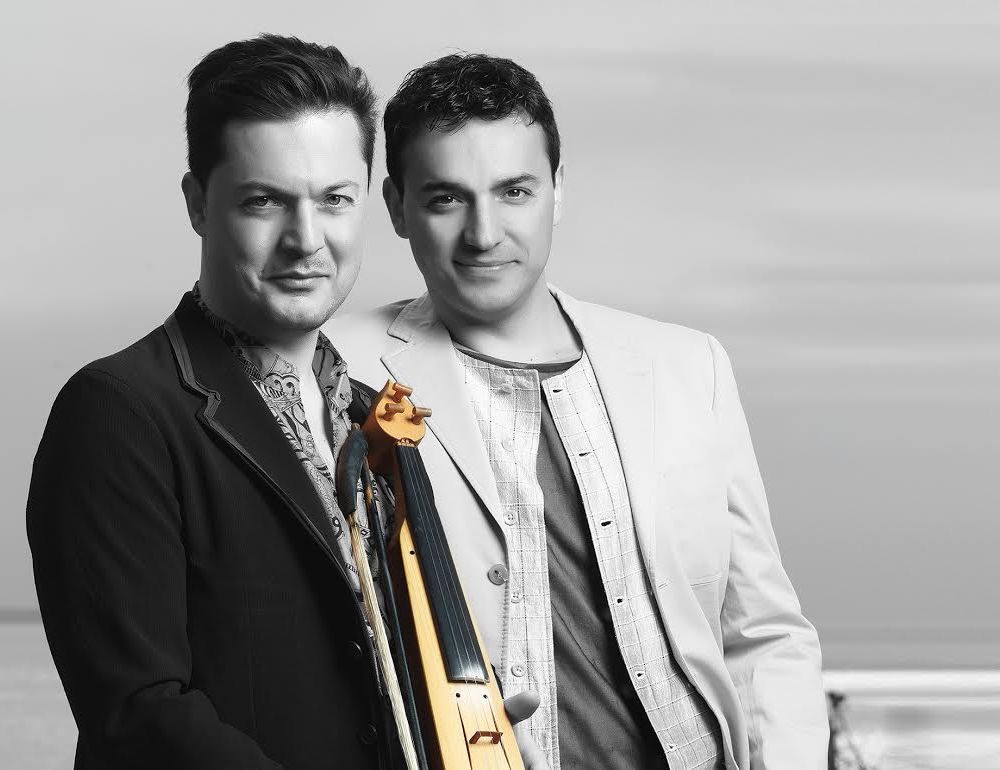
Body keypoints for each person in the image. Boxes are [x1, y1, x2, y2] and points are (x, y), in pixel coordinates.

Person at [326, 53, 830, 769]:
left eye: (515, 192)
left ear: (557, 191)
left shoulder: (686, 367)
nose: (484, 233)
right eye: (446, 199)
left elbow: (763, 631)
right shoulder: (335, 368)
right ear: (398, 207)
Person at [27, 34, 394, 768]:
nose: (305, 240)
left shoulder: (372, 416)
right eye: (265, 201)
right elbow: (139, 715)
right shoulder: (116, 412)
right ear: (198, 204)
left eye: (334, 200)